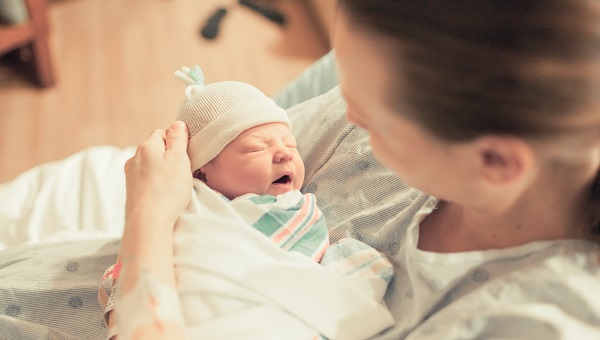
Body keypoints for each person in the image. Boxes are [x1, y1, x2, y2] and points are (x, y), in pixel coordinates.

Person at [116, 1, 600, 339]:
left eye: (370, 115)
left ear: (494, 162)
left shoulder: (526, 320)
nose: (347, 116)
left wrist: (148, 222)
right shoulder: (395, 97)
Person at [102, 66, 394, 340]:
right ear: (202, 171)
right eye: (255, 148)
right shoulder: (194, 203)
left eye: (291, 144)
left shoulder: (293, 209)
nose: (284, 154)